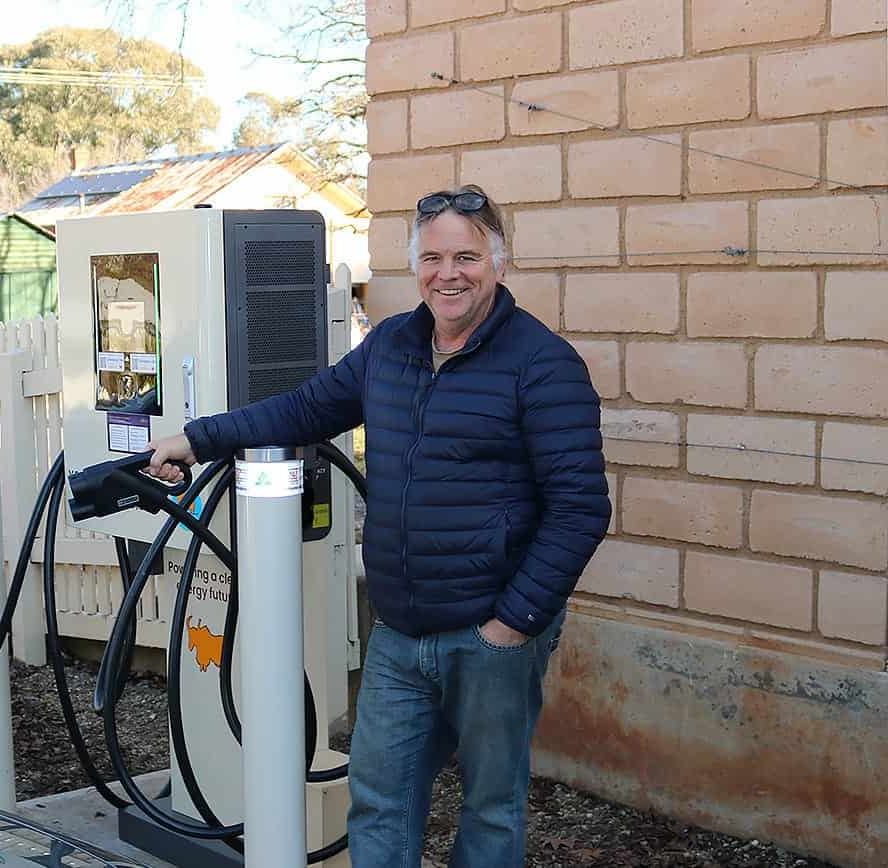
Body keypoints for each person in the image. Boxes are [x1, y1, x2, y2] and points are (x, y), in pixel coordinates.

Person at [146, 185, 610, 867]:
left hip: (491, 635)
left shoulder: (543, 365)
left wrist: (511, 624)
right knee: (380, 800)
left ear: (499, 264)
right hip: (398, 630)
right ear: (415, 266)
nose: (447, 274)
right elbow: (305, 409)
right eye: (432, 258)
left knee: (489, 809)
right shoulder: (391, 345)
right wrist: (199, 438)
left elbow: (581, 508)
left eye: (466, 257)